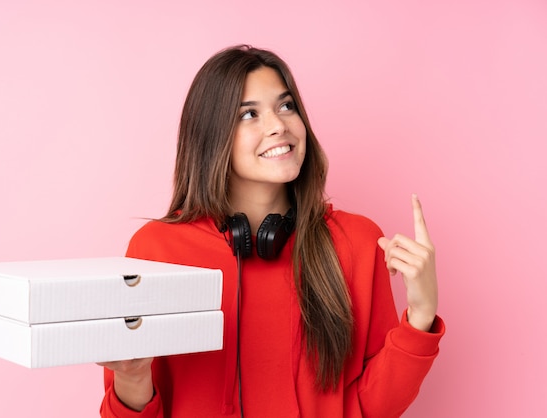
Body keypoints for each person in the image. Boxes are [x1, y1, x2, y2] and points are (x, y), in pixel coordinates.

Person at [98, 45, 444, 418]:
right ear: (212, 137)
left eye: (286, 106)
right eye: (249, 114)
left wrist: (421, 314)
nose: (278, 125)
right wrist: (131, 380)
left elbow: (370, 408)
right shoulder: (158, 250)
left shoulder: (356, 241)